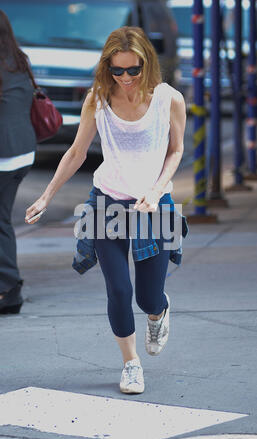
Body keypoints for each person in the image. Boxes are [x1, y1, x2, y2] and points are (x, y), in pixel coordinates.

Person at [25, 26, 186, 394]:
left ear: (147, 64)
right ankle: (131, 364)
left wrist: (158, 189)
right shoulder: (98, 99)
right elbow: (77, 152)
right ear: (107, 69)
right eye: (118, 71)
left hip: (153, 204)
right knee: (118, 289)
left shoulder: (168, 99)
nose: (126, 78)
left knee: (147, 297)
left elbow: (176, 150)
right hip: (107, 202)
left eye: (133, 70)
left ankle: (159, 313)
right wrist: (47, 195)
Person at [0, 10, 37, 314]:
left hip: (4, 155)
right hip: (22, 153)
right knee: (2, 220)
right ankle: (9, 289)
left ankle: (9, 289)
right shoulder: (19, 60)